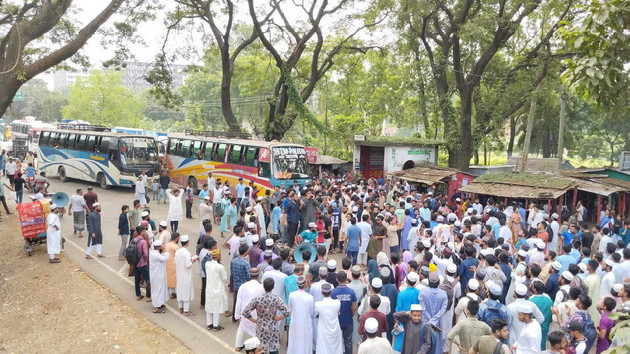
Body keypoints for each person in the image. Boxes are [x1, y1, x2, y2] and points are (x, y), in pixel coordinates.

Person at [242, 277, 290, 354]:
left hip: (261, 327)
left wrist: (254, 320)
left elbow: (245, 312)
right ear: (273, 287)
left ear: (263, 286)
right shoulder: (276, 299)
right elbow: (287, 312)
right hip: (272, 327)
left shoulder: (257, 299)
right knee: (273, 348)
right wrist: (278, 318)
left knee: (260, 348)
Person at [235, 268, 264, 351]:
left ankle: (238, 345)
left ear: (249, 275)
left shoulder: (243, 286)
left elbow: (239, 302)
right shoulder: (261, 287)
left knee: (242, 327)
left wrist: (237, 315)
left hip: (245, 313)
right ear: (258, 275)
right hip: (256, 314)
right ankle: (257, 349)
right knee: (257, 332)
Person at [419, 271, 447, 354]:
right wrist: (434, 320)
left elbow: (423, 308)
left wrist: (429, 318)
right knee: (437, 343)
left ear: (428, 281)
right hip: (437, 324)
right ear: (438, 282)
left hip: (425, 323)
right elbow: (443, 310)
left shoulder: (423, 292)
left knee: (424, 342)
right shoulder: (443, 293)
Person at [331, 271, 357, 354]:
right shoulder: (352, 292)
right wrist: (350, 315)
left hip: (336, 320)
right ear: (346, 279)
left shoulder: (333, 293)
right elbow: (354, 308)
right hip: (348, 320)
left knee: (335, 341)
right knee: (348, 341)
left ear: (337, 279)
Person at [287, 275, 314, 354]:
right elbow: (312, 312)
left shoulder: (292, 295)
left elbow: (290, 309)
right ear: (305, 284)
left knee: (294, 342)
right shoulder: (310, 297)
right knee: (306, 343)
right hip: (306, 323)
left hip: (295, 322)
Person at [315, 282, 343, 354]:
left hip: (323, 330)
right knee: (335, 348)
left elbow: (316, 313)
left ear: (321, 292)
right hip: (335, 329)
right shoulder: (337, 303)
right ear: (331, 292)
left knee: (323, 348)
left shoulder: (318, 304)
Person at [205, 249, 228, 331]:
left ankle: (209, 324)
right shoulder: (220, 267)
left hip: (209, 288)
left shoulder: (207, 264)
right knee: (217, 308)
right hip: (217, 289)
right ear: (218, 256)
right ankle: (215, 325)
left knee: (209, 306)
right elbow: (224, 278)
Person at [175, 234, 197, 316]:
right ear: (187, 243)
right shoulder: (187, 253)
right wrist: (193, 260)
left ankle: (180, 308)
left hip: (179, 274)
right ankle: (186, 310)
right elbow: (188, 265)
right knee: (186, 292)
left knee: (180, 291)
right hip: (186, 275)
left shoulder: (178, 252)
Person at [149, 240, 169, 313]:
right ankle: (156, 307)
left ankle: (159, 303)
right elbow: (165, 258)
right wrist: (165, 251)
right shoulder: (155, 254)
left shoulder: (153, 252)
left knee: (160, 289)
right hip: (157, 276)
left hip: (158, 274)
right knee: (157, 290)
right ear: (159, 247)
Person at [132, 226, 151, 301]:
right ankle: (148, 296)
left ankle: (138, 295)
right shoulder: (143, 242)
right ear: (142, 232)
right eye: (144, 230)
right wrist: (146, 260)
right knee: (148, 279)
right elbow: (146, 254)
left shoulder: (133, 240)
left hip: (135, 263)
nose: (145, 232)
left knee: (137, 279)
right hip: (142, 263)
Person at [165, 232, 180, 299]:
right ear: (177, 238)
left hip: (167, 263)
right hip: (173, 264)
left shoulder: (167, 244)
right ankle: (175, 293)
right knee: (175, 280)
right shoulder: (175, 246)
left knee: (169, 278)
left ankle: (172, 293)